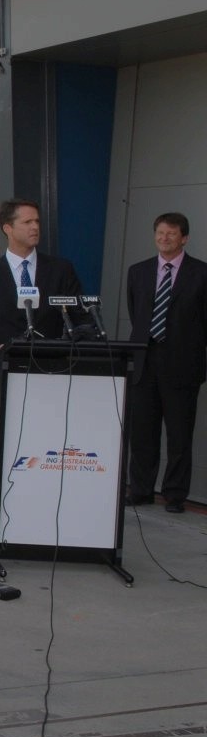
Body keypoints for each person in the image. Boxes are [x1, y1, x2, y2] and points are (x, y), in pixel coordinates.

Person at [0, 199, 82, 528]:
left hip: (50, 381)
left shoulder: (61, 271)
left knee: (45, 456)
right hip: (0, 381)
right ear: (7, 228)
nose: (35, 227)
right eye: (27, 222)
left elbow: (79, 318)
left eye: (37, 221)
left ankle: (41, 525)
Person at [125, 212, 207, 514]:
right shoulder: (138, 271)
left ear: (184, 238)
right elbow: (136, 312)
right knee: (142, 433)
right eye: (160, 233)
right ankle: (141, 490)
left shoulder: (201, 273)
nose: (164, 238)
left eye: (171, 233)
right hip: (145, 360)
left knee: (179, 435)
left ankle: (174, 495)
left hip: (183, 365)